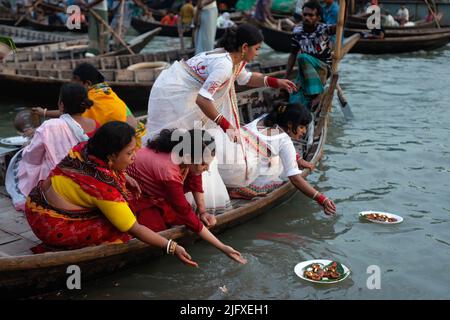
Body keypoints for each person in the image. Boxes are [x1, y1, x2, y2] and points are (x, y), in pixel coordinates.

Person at [144, 23, 296, 211]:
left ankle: (180, 180)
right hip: (175, 94)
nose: (257, 53)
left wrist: (275, 82)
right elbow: (203, 100)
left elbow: (245, 78)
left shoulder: (234, 59)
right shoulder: (224, 65)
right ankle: (176, 188)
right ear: (244, 48)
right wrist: (226, 126)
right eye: (256, 49)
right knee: (182, 140)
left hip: (184, 91)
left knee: (194, 141)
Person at [24, 121, 198, 266]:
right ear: (112, 156)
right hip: (51, 225)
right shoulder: (103, 188)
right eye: (129, 153)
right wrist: (172, 247)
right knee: (120, 229)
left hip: (34, 202)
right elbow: (135, 228)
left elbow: (103, 169)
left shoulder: (84, 148)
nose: (134, 158)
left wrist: (125, 175)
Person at [127, 128, 247, 264]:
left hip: (158, 192)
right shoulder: (168, 170)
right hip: (136, 195)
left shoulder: (185, 156)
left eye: (208, 164)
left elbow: (195, 178)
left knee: (183, 219)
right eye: (203, 164)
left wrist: (202, 212)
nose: (207, 168)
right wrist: (223, 247)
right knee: (156, 231)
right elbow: (185, 213)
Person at [217, 103, 336, 216]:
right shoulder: (284, 140)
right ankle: (238, 188)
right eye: (301, 127)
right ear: (289, 124)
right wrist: (321, 199)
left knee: (269, 155)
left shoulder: (264, 119)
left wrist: (297, 159)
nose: (304, 131)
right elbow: (295, 179)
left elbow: (263, 142)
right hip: (236, 173)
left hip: (220, 159)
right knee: (278, 168)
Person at [6, 83, 99, 211]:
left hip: (55, 183)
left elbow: (33, 157)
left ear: (61, 105)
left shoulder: (49, 126)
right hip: (87, 178)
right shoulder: (95, 125)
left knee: (21, 158)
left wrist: (28, 147)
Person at [33, 63, 139, 129]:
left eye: (75, 79)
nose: (71, 82)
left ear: (87, 83)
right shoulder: (106, 91)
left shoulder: (93, 98)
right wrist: (44, 112)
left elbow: (72, 114)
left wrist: (44, 113)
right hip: (136, 135)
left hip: (130, 145)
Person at [285, 0, 336, 109]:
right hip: (306, 70)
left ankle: (318, 93)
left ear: (318, 18)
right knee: (293, 99)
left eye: (311, 15)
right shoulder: (297, 31)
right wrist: (286, 77)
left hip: (322, 68)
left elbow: (340, 24)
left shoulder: (324, 29)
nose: (307, 17)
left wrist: (344, 10)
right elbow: (292, 54)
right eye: (305, 14)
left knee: (302, 57)